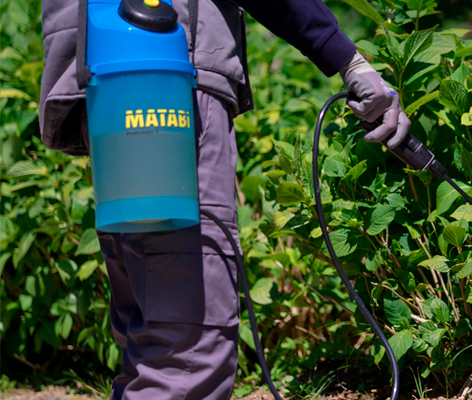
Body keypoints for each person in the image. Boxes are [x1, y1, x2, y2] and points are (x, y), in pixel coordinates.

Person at [39, 0, 409, 398]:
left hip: (111, 83)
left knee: (153, 335)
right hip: (170, 75)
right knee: (187, 350)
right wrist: (347, 58)